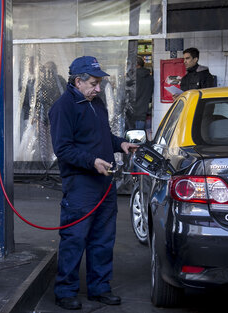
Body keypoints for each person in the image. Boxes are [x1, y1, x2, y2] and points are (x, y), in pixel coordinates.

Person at [48, 56, 137, 310]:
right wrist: (92, 162)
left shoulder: (95, 103)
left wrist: (120, 143)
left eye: (99, 83)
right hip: (81, 186)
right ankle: (65, 291)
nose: (98, 88)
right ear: (78, 81)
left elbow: (101, 136)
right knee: (74, 238)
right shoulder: (63, 108)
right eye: (94, 83)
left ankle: (99, 288)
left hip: (104, 183)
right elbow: (63, 149)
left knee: (103, 238)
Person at [132, 56, 154, 130]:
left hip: (132, 114)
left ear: (137, 64)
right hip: (143, 114)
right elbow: (151, 95)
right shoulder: (150, 78)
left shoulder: (132, 77)